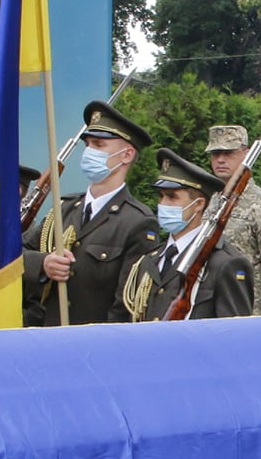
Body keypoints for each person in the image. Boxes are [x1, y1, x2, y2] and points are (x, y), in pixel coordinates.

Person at [23, 101, 161, 325]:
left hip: (93, 348)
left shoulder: (138, 222)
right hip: (46, 339)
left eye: (98, 145)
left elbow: (126, 305)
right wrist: (42, 264)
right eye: (88, 144)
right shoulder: (65, 208)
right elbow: (15, 255)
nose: (89, 152)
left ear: (126, 155)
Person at [122, 149, 253, 321]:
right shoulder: (149, 260)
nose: (162, 204)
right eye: (160, 196)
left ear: (198, 204)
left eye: (172, 197)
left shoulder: (225, 264)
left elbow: (232, 337)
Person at [206, 124, 261, 316]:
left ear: (246, 154)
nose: (220, 160)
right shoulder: (211, 201)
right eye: (215, 154)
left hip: (249, 314)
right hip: (212, 310)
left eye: (228, 153)